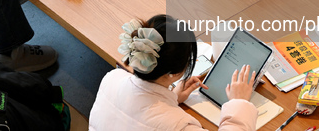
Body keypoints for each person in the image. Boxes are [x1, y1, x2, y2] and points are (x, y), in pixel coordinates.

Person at [89, 15, 258, 130]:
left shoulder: (112, 78)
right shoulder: (179, 125)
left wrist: (172, 98)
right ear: (174, 73)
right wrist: (238, 102)